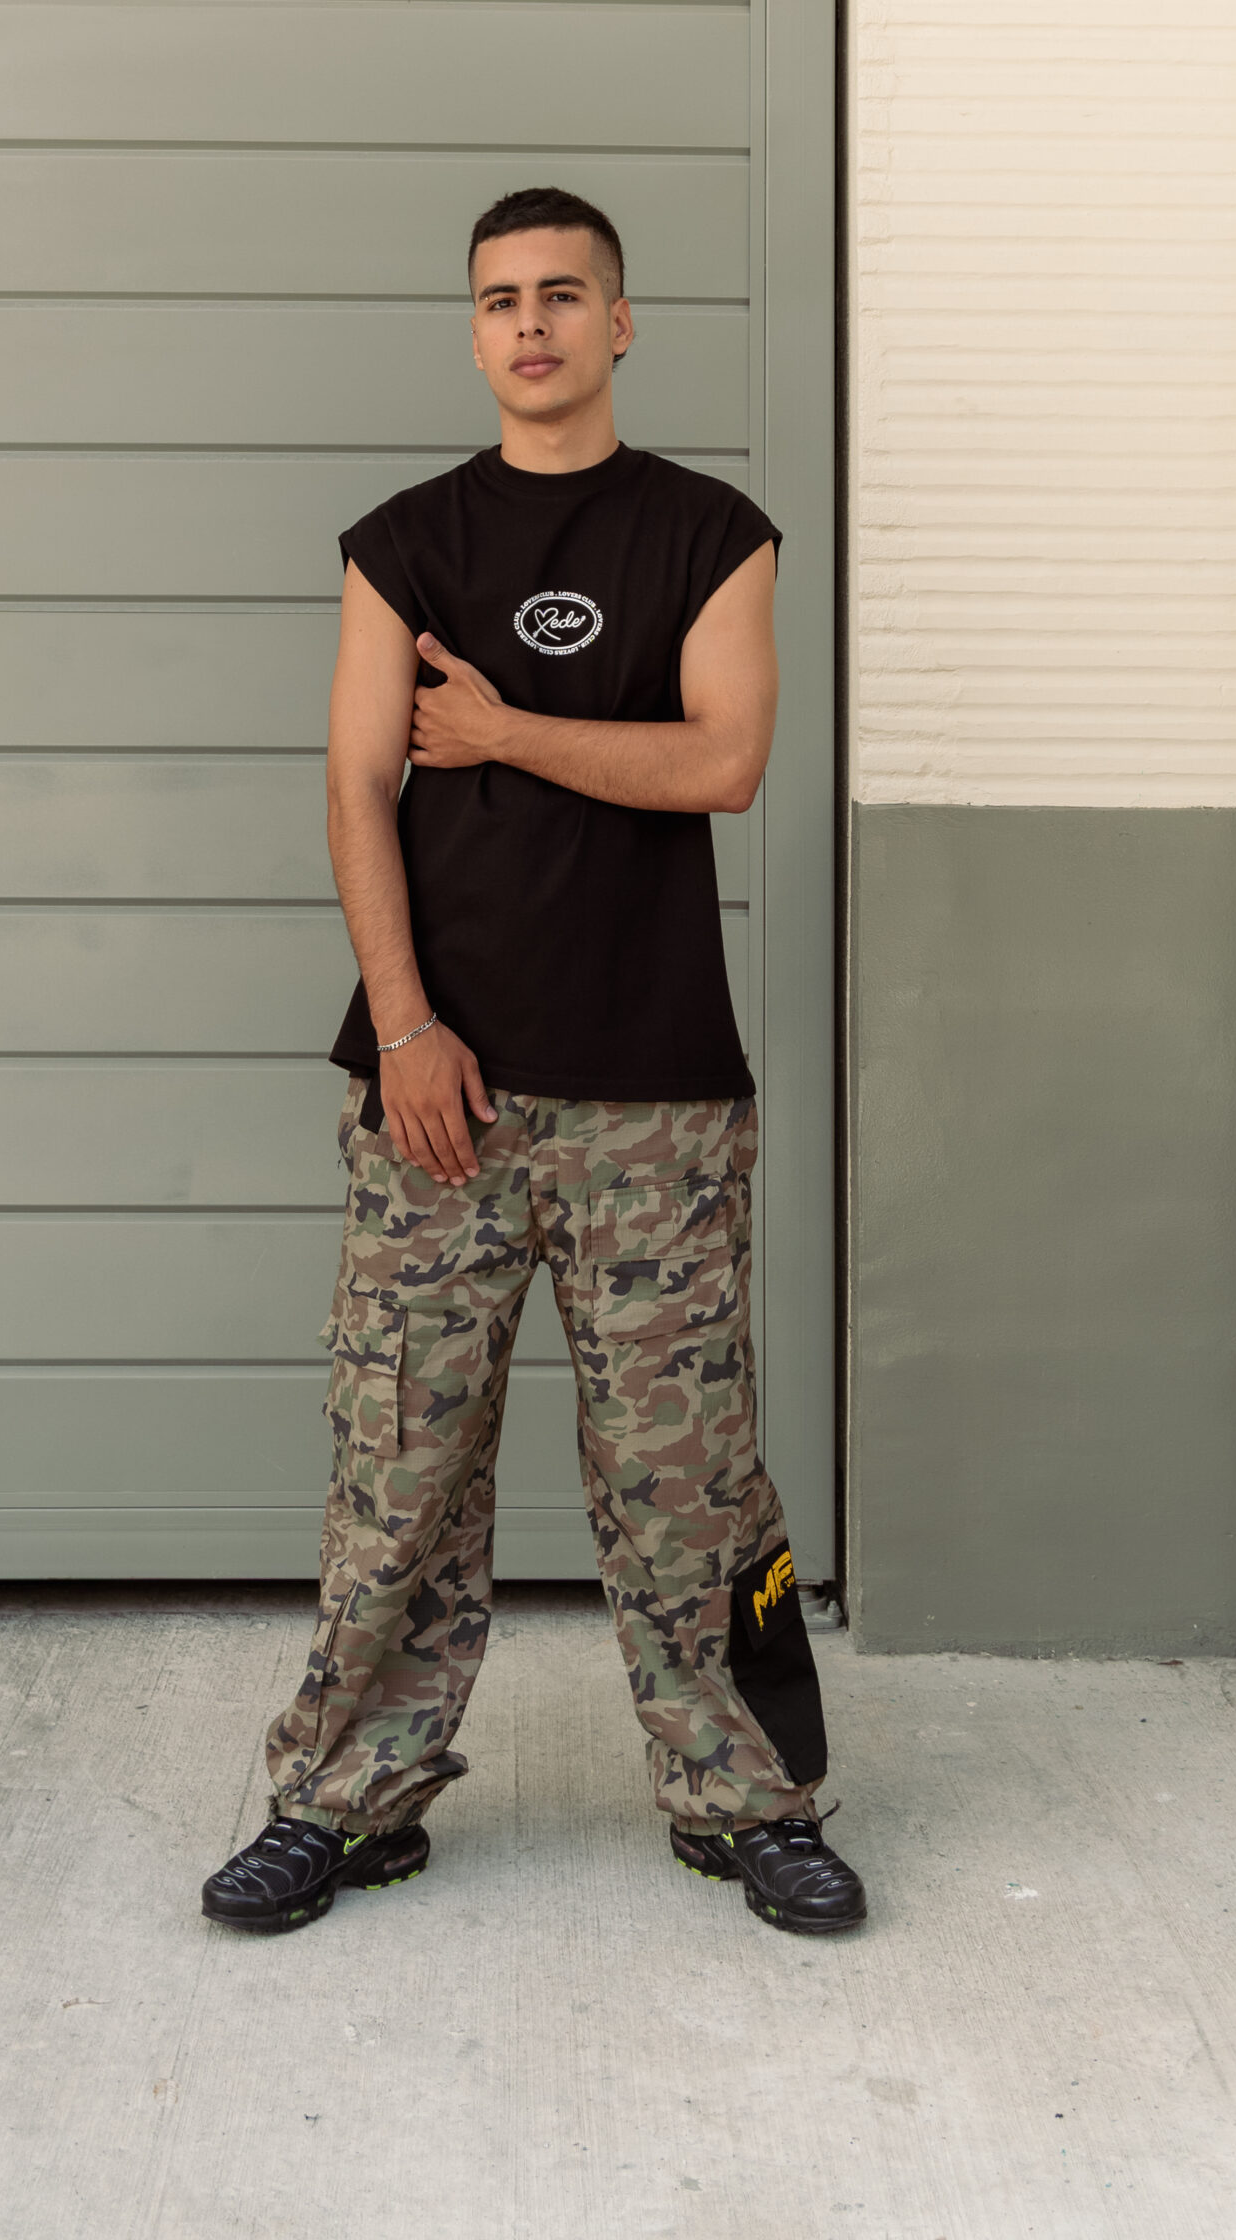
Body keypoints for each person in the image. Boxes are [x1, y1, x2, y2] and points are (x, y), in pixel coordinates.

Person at [201, 187, 866, 1940]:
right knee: (398, 1468)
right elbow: (356, 786)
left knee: (689, 1479)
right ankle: (343, 1803)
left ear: (620, 322)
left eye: (565, 295)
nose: (533, 325)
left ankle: (753, 1805)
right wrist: (406, 1029)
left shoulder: (711, 533)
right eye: (501, 299)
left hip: (658, 1097)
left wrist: (501, 730)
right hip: (443, 1095)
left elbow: (723, 762)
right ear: (476, 330)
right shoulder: (405, 543)